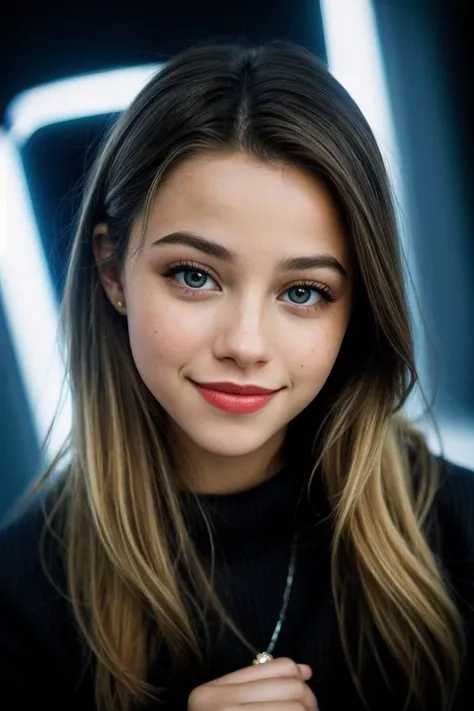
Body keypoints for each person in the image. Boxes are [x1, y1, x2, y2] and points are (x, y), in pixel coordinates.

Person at [0, 40, 473, 711]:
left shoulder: (460, 537)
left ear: (357, 309)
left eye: (303, 290)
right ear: (111, 271)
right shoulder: (20, 603)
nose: (246, 344)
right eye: (195, 276)